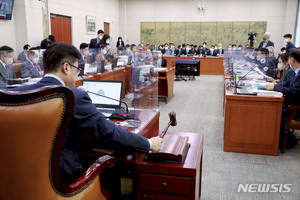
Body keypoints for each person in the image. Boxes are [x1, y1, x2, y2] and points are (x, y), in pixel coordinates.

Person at [10, 42, 163, 185]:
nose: (77, 75)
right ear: (66, 68)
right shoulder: (72, 96)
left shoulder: (12, 95)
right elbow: (109, 132)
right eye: (77, 70)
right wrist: (148, 143)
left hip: (15, 179)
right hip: (61, 182)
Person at [265, 48, 300, 147]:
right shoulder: (296, 72)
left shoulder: (299, 73)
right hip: (290, 102)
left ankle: (283, 139)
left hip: (294, 108)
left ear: (292, 59)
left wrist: (275, 87)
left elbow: (294, 91)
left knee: (274, 110)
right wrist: (276, 85)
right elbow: (287, 83)